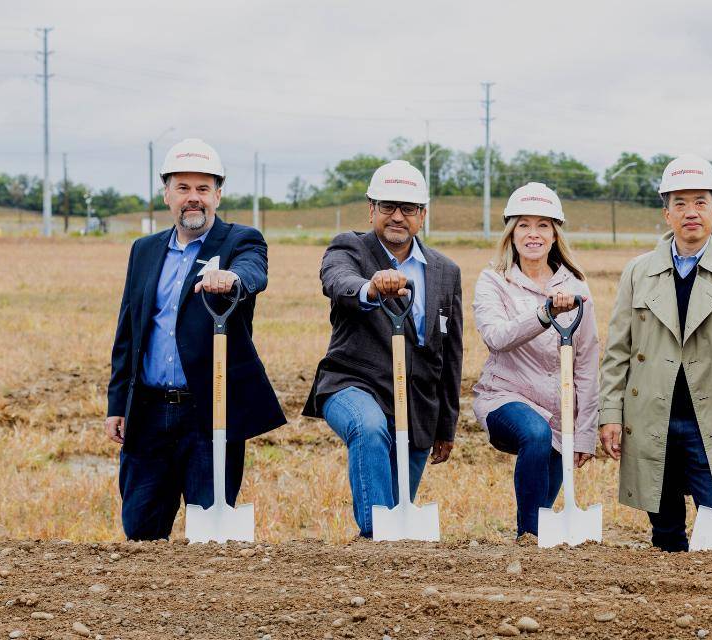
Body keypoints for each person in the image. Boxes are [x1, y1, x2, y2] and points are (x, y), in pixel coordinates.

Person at [105, 138, 285, 540]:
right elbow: (129, 332)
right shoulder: (145, 250)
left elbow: (255, 272)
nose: (194, 199)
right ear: (166, 193)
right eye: (183, 188)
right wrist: (118, 403)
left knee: (210, 538)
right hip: (149, 412)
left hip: (211, 411)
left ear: (218, 194)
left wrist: (232, 278)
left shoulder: (241, 240)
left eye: (203, 189)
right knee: (140, 532)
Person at [598, 154, 712, 552]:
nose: (690, 212)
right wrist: (610, 414)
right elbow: (617, 351)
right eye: (680, 203)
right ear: (666, 213)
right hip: (652, 415)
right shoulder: (638, 272)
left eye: (700, 202)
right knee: (664, 534)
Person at [302, 159, 463, 538]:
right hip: (352, 383)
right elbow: (337, 281)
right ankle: (377, 544)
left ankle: (383, 569)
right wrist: (370, 287)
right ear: (371, 209)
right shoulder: (350, 248)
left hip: (418, 402)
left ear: (422, 215)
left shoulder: (445, 271)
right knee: (368, 426)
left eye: (408, 208)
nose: (397, 217)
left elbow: (451, 352)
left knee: (397, 509)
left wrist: (447, 424)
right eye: (387, 206)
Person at [472, 182, 599, 539]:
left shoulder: (576, 287)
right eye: (524, 224)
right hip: (505, 397)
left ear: (555, 234)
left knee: (543, 512)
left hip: (561, 412)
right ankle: (526, 540)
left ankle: (532, 554)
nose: (533, 233)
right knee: (534, 432)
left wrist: (585, 432)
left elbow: (587, 362)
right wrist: (544, 313)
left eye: (543, 225)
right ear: (511, 233)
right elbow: (496, 336)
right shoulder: (493, 281)